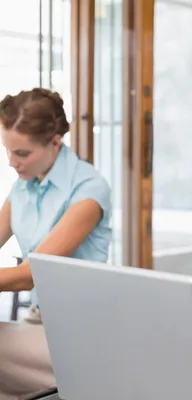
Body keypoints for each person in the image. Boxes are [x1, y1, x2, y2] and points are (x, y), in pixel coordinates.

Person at [0, 88, 112, 399]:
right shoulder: (22, 186)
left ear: (54, 142)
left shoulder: (89, 189)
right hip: (38, 319)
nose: (12, 162)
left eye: (22, 154)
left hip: (82, 332)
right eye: (7, 151)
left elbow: (31, 274)